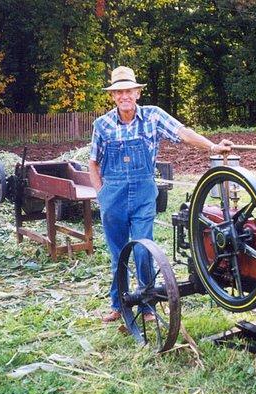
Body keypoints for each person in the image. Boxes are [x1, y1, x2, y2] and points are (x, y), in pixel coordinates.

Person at [89, 66, 232, 323]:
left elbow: (182, 133)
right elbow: (93, 163)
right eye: (119, 92)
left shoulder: (153, 116)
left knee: (144, 249)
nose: (124, 96)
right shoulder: (102, 125)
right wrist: (101, 194)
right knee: (118, 253)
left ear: (137, 93)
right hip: (113, 195)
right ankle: (118, 304)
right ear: (112, 96)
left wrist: (212, 146)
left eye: (129, 91)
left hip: (144, 193)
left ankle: (147, 306)